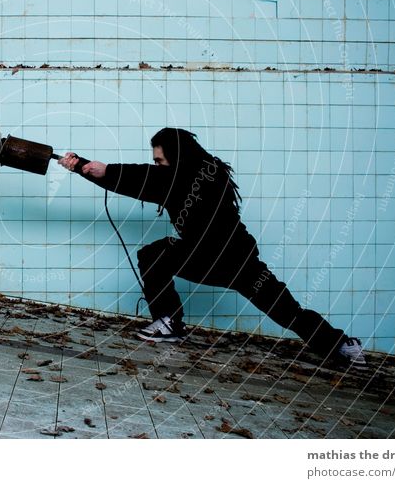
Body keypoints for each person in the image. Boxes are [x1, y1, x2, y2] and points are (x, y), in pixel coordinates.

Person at [58, 127, 367, 369]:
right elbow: (144, 179)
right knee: (284, 308)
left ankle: (340, 345)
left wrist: (97, 169)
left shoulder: (191, 177)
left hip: (222, 258)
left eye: (161, 160)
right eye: (156, 162)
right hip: (234, 259)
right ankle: (342, 346)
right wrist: (87, 167)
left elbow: (144, 178)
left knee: (283, 309)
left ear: (178, 158)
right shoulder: (203, 172)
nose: (158, 166)